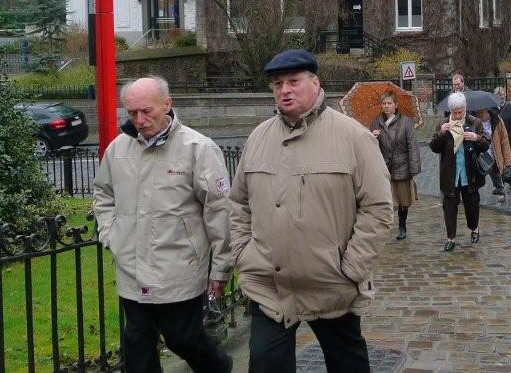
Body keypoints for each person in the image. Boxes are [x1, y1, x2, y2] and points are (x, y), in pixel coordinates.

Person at [228, 50, 393, 372]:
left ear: (315, 83)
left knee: (347, 363)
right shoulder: (259, 137)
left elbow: (378, 207)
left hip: (331, 284)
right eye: (277, 84)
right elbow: (238, 202)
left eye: (293, 81)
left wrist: (351, 267)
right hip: (269, 285)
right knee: (265, 364)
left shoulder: (353, 137)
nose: (284, 90)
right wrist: (244, 252)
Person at [93, 76, 234, 373]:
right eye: (132, 113)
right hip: (133, 269)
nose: (140, 120)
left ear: (167, 104)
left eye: (147, 111)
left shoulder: (198, 148)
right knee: (137, 345)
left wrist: (220, 268)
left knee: (182, 338)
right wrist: (111, 235)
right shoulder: (118, 149)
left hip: (179, 267)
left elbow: (219, 211)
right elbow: (103, 194)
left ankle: (219, 366)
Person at [428, 92, 491, 251]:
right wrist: (441, 133)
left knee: (472, 205)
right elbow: (434, 147)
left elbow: (485, 145)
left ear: (465, 108)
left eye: (460, 112)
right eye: (454, 112)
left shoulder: (474, 122)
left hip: (470, 172)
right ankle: (451, 238)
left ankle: (474, 228)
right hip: (450, 173)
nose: (457, 115)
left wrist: (476, 138)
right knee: (449, 207)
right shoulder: (443, 124)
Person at [370, 92, 420, 240]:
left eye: (389, 103)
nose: (386, 106)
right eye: (384, 103)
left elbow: (412, 146)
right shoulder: (375, 123)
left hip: (402, 165)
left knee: (403, 200)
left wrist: (414, 168)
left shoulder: (406, 122)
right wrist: (371, 137)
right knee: (384, 200)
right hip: (383, 167)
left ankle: (402, 225)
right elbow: (369, 148)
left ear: (396, 105)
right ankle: (383, 227)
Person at [477, 107, 511, 200]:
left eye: (481, 112)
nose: (479, 115)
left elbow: (505, 141)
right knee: (478, 174)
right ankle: (471, 193)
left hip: (495, 152)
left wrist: (507, 162)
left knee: (495, 172)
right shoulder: (475, 122)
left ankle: (500, 190)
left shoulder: (497, 121)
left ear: (488, 111)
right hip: (481, 153)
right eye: (478, 112)